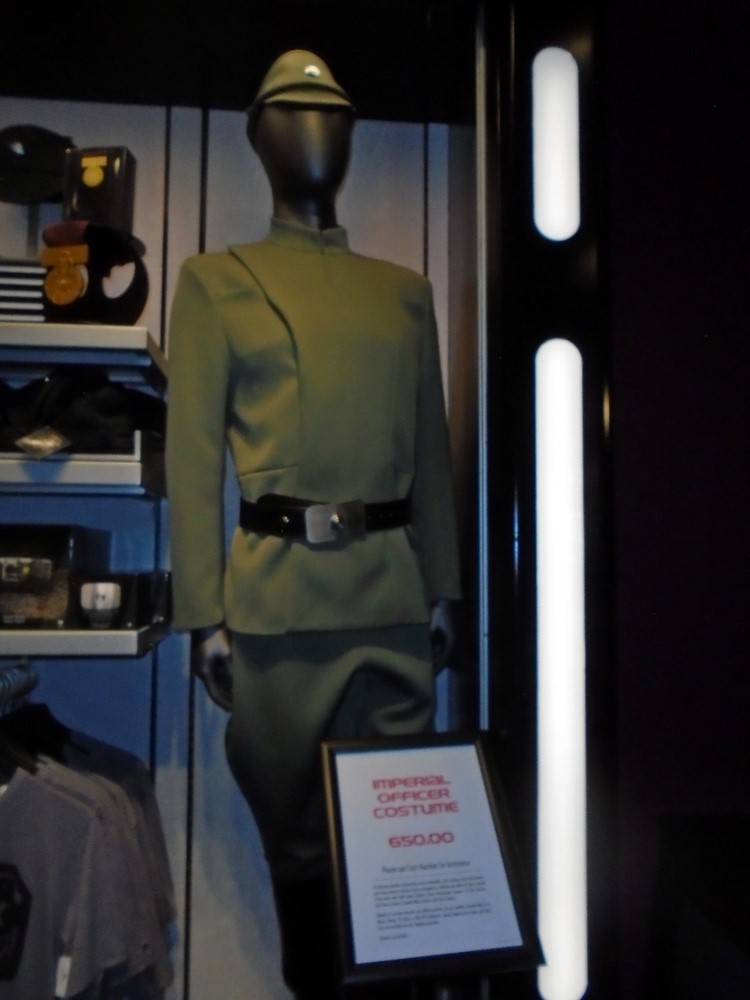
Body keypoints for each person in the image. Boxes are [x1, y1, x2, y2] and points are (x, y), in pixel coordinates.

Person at [166, 49, 461, 999]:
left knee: (394, 842)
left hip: (390, 604)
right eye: (294, 114)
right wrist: (202, 618)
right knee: (295, 843)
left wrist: (444, 588)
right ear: (259, 140)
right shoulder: (214, 281)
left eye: (332, 114)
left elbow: (430, 451)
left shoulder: (404, 292)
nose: (316, 131)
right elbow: (190, 461)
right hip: (276, 613)